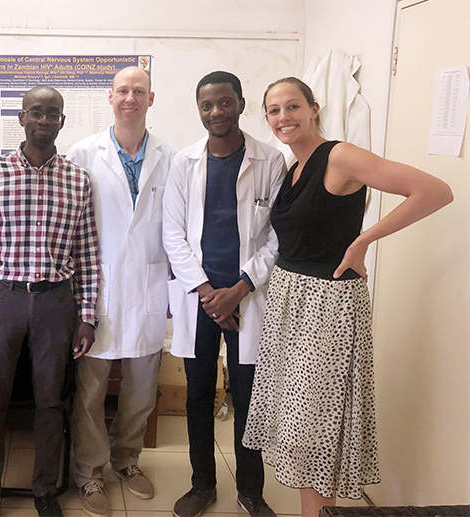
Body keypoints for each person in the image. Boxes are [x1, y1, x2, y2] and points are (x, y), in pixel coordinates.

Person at [242, 77, 453, 517]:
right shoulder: (292, 167)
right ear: (266, 118)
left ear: (314, 108)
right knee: (296, 431)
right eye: (274, 110)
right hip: (289, 302)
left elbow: (434, 191)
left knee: (312, 428)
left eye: (293, 106)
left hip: (327, 306)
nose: (284, 117)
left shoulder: (339, 156)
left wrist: (364, 240)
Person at [0, 85, 99, 517]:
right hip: (1, 298)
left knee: (50, 401)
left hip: (57, 301)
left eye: (52, 113)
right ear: (21, 118)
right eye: (35, 112)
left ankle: (44, 489)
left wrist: (87, 315)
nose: (43, 120)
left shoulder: (78, 179)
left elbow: (88, 252)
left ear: (61, 120)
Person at [163, 71, 286, 517]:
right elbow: (173, 233)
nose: (216, 111)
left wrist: (237, 289)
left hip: (247, 297)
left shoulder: (270, 161)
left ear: (241, 103)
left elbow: (277, 238)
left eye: (224, 102)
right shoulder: (184, 162)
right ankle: (202, 484)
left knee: (249, 397)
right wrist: (206, 291)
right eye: (206, 104)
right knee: (197, 393)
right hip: (200, 299)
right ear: (199, 109)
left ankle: (251, 490)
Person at [65, 65, 177, 517]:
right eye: (123, 91)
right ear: (110, 97)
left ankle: (127, 460)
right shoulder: (82, 152)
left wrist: (176, 289)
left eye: (139, 91)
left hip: (151, 287)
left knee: (141, 390)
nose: (130, 98)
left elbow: (178, 228)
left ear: (151, 99)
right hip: (98, 288)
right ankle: (89, 474)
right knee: (90, 391)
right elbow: (69, 225)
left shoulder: (173, 157)